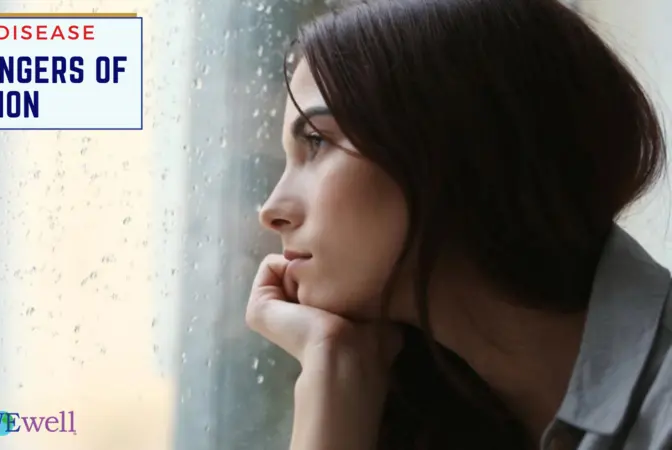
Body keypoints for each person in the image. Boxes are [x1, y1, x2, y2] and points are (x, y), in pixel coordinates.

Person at [244, 0, 671, 449]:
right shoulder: (412, 404)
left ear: (459, 142)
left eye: (315, 142)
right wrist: (332, 372)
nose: (271, 209)